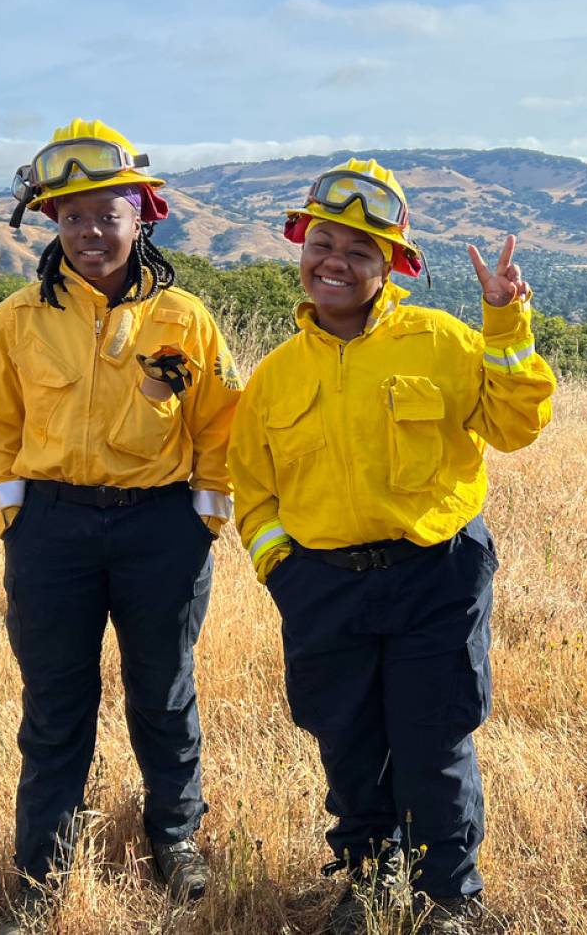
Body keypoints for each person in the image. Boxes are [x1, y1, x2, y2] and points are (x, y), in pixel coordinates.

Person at [229, 158, 556, 934]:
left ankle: (450, 898)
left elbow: (515, 428)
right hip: (325, 589)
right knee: (347, 743)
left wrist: (504, 322)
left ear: (392, 267)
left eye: (359, 251)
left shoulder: (441, 341)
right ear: (301, 247)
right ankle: (370, 882)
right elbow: (252, 489)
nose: (335, 262)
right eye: (323, 243)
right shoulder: (274, 376)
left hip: (433, 574)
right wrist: (286, 570)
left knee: (432, 742)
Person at [0, 118, 241, 923]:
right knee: (55, 702)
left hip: (162, 530)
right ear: (51, 219)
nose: (90, 231)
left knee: (163, 693)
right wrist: (12, 512)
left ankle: (176, 836)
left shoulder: (185, 317)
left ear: (142, 213)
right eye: (72, 214)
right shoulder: (18, 317)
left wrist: (204, 518)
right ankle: (42, 864)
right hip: (53, 530)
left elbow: (222, 421)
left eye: (106, 213)